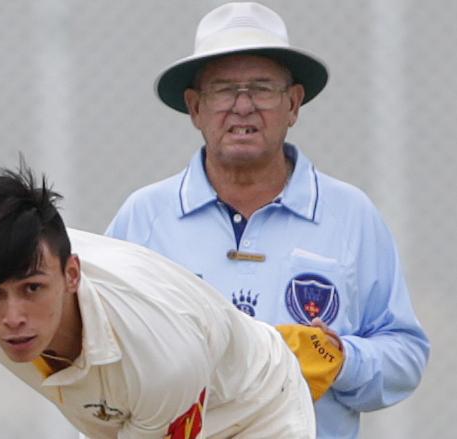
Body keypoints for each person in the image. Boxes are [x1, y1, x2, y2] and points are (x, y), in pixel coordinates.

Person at [106, 2, 430, 439]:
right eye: (223, 90)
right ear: (194, 107)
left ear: (293, 104)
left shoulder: (351, 215)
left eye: (262, 89)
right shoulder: (144, 217)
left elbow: (406, 355)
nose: (243, 107)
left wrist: (342, 360)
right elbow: (101, 353)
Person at [0, 162, 319, 439]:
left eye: (32, 288)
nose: (13, 318)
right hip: (132, 410)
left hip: (254, 409)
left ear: (71, 274)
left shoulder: (159, 357)